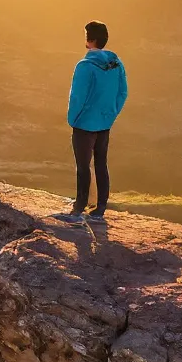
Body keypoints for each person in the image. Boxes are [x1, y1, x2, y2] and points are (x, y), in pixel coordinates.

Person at [53, 20, 127, 225]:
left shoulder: (85, 66)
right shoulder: (116, 64)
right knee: (101, 164)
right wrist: (111, 114)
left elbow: (77, 97)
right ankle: (100, 207)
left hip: (84, 124)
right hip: (105, 123)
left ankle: (78, 209)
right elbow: (123, 92)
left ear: (90, 39)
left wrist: (73, 119)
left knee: (83, 166)